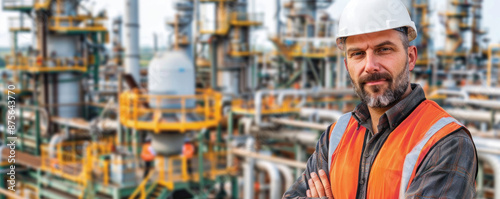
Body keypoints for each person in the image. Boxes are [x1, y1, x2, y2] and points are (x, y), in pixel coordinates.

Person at [283, 0, 477, 198]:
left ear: (410, 57)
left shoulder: (445, 142)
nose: (370, 66)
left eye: (384, 49)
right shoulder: (335, 137)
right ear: (346, 65)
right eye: (357, 54)